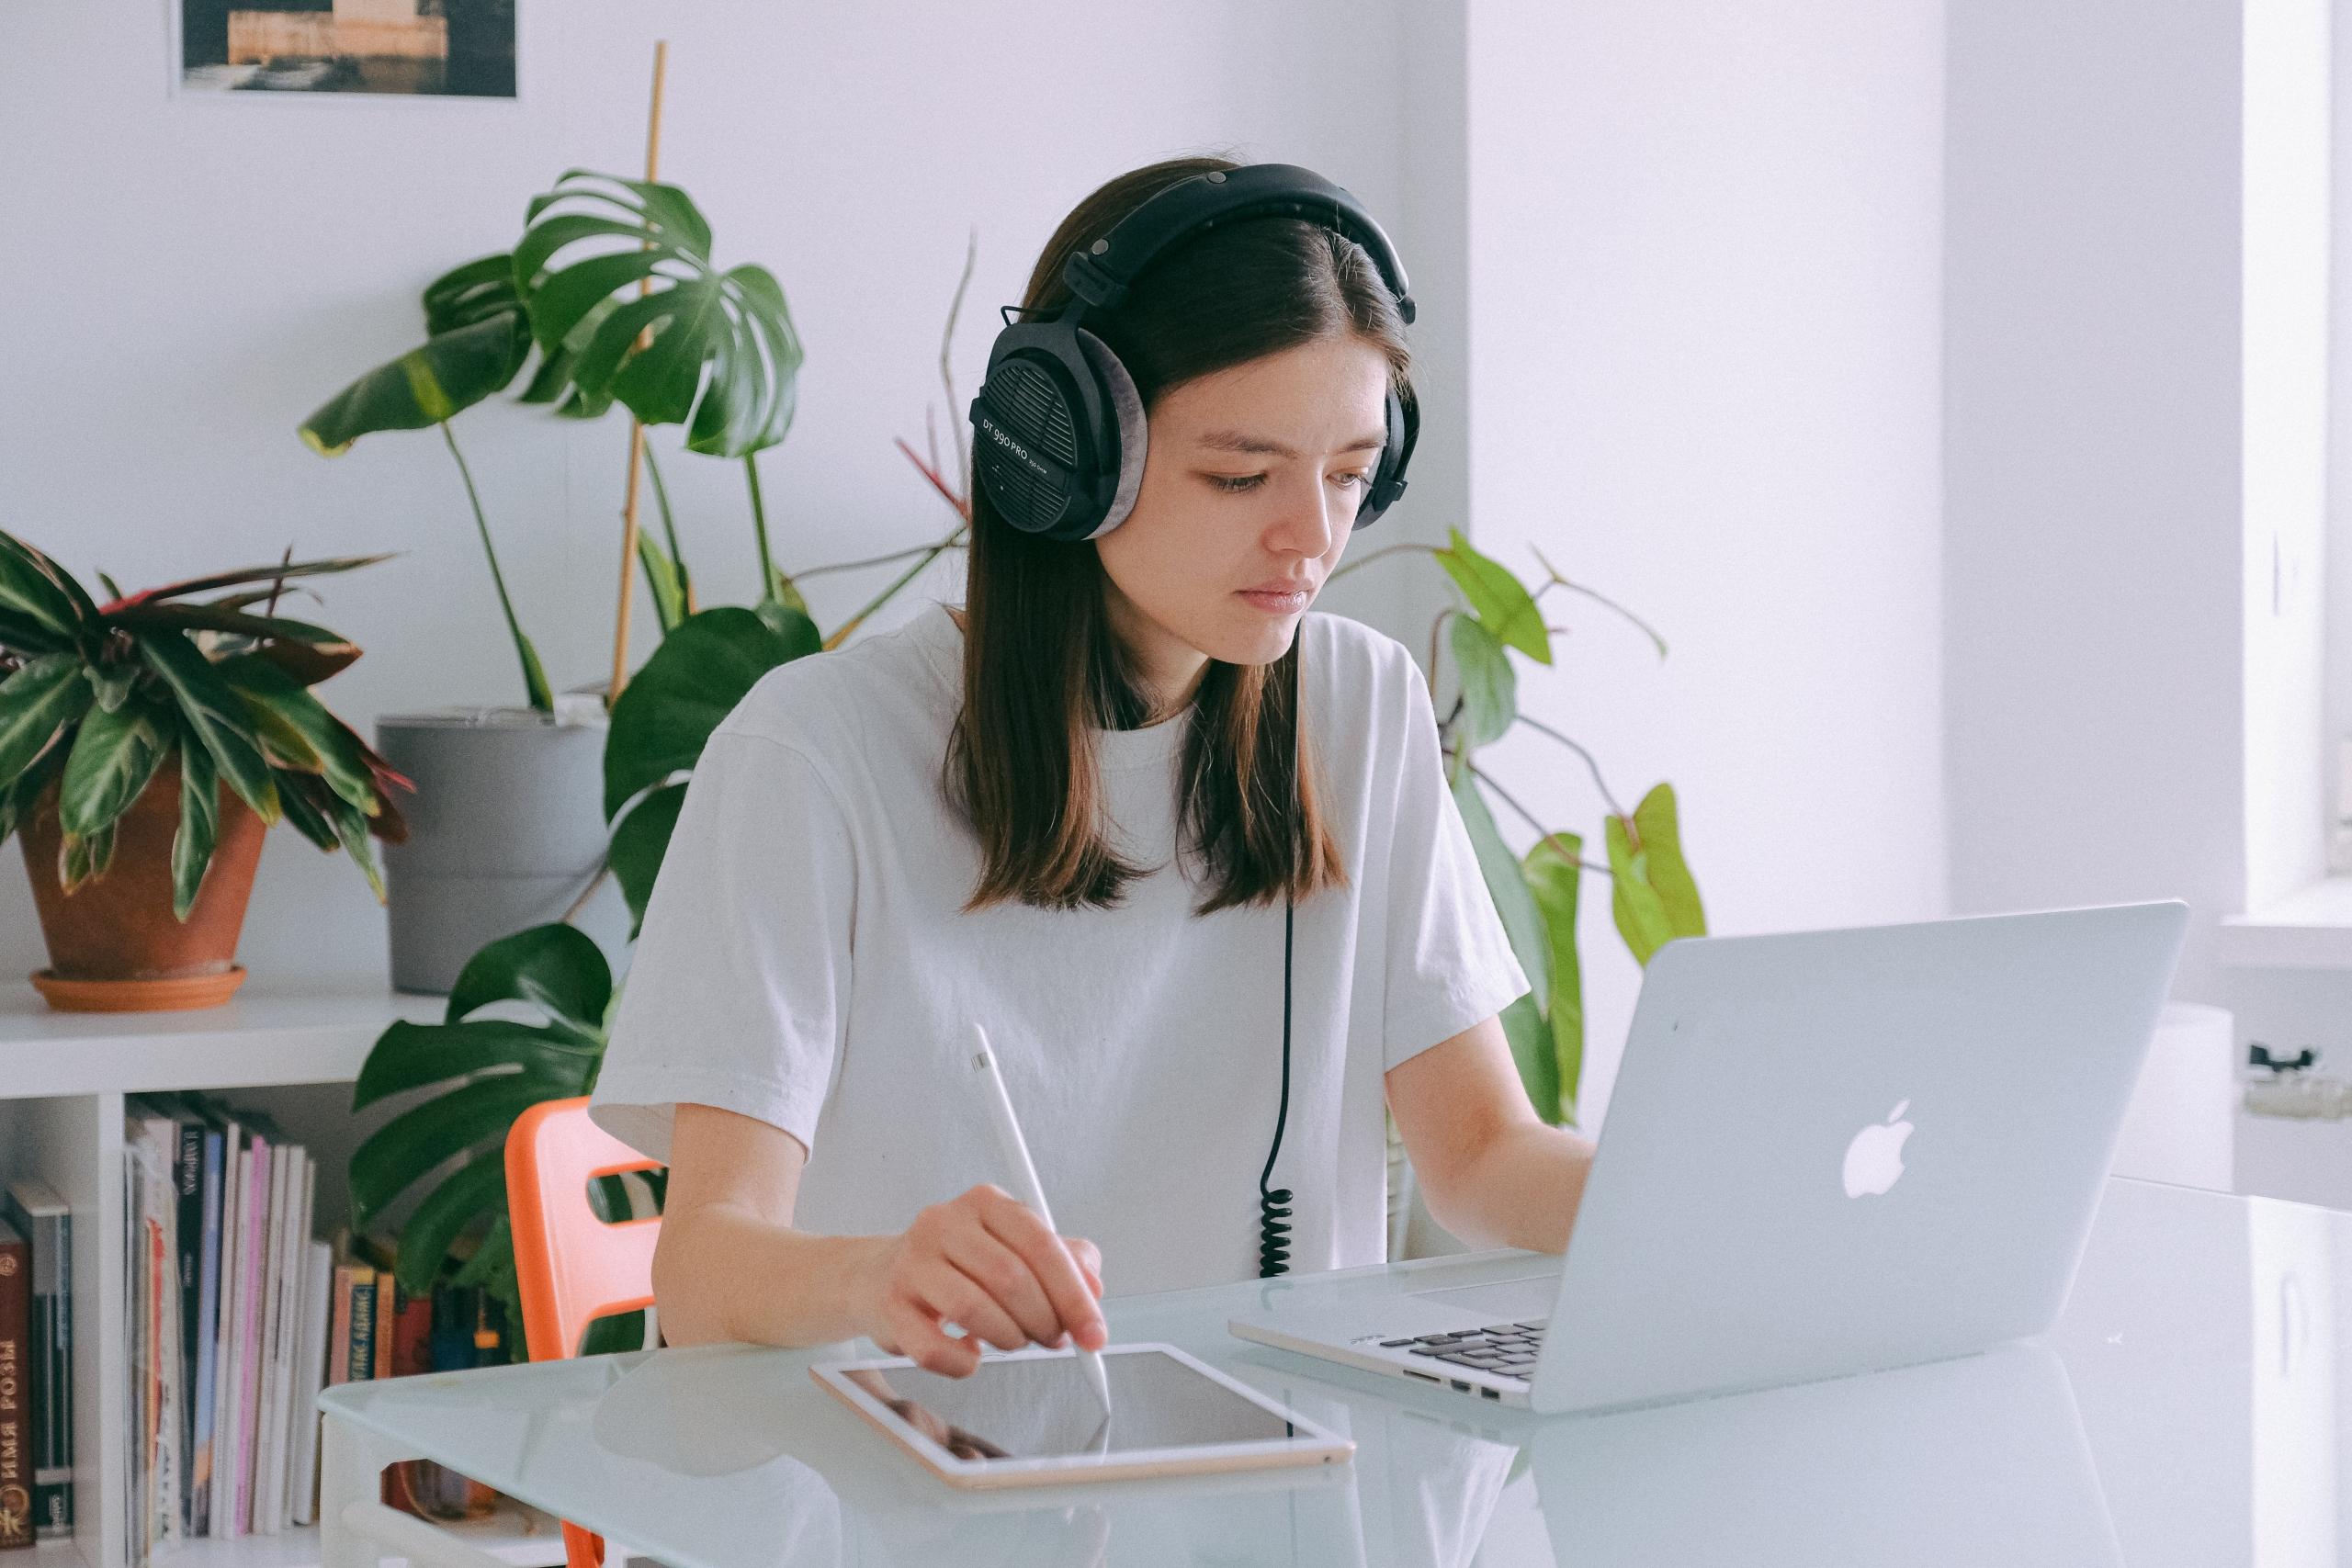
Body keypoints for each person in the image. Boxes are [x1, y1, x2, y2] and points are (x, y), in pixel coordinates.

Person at [586, 154, 1598, 1379]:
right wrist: (874, 1273)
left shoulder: (1360, 708)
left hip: (1278, 1497)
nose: (1311, 537)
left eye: (1347, 474)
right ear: (1059, 455)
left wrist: (1719, 1197)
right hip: (904, 1487)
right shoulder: (815, 750)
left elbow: (1483, 1157)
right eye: (1240, 475)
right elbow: (702, 1269)